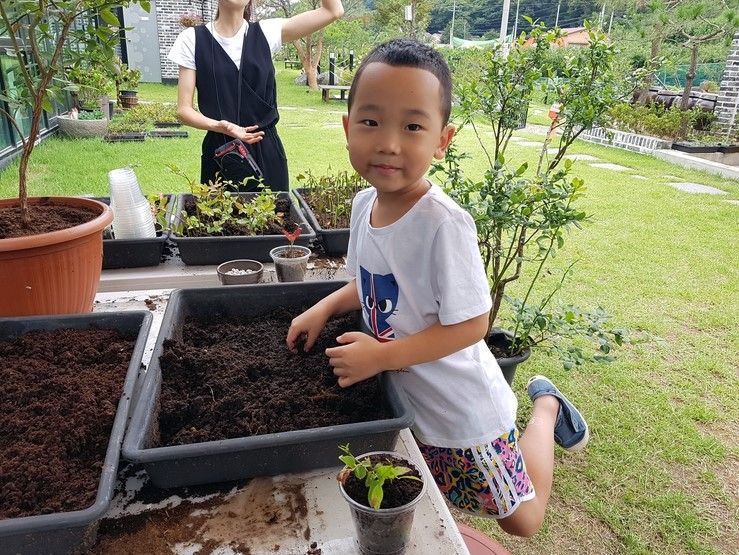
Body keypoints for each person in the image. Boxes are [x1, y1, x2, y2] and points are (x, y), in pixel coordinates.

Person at [286, 38, 590, 538]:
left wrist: (383, 357)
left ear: (441, 140)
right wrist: (322, 306)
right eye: (370, 121)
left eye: (412, 126)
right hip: (415, 404)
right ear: (347, 128)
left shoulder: (443, 224)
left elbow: (473, 324)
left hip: (465, 412)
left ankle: (546, 407)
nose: (388, 142)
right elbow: (367, 284)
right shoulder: (365, 204)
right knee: (438, 499)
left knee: (522, 520)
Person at [168, 0, 344, 190]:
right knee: (218, 216)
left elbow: (333, 10)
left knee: (274, 216)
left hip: (265, 148)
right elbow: (183, 110)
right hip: (221, 152)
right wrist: (219, 126)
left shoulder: (267, 32)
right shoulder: (192, 39)